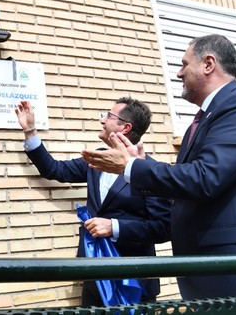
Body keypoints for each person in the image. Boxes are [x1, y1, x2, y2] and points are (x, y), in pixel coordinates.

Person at [81, 34, 236, 300]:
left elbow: (205, 178)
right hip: (206, 269)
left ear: (208, 64)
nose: (179, 73)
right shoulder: (206, 117)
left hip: (233, 272)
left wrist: (132, 167)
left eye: (184, 64)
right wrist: (141, 166)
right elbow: (188, 185)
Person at [14, 98, 171, 306]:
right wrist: (30, 131)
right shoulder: (97, 160)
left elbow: (162, 228)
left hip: (133, 283)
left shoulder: (150, 171)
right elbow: (54, 169)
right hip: (95, 277)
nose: (102, 121)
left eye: (109, 116)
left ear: (125, 127)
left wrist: (113, 227)